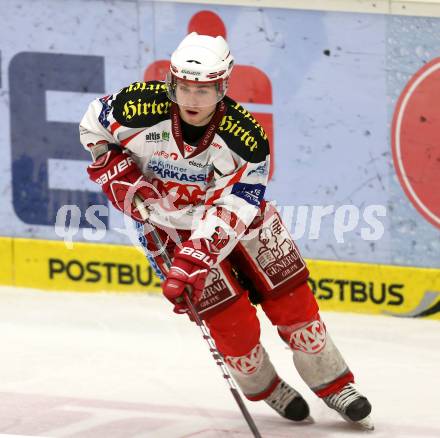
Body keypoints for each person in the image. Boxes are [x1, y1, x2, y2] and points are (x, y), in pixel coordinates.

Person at [79, 32, 373, 429]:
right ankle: (268, 388)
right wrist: (114, 171)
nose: (191, 101)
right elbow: (92, 123)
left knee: (294, 304)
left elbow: (235, 207)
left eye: (203, 90)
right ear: (172, 83)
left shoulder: (246, 138)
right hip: (167, 231)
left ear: (223, 86)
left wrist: (195, 258)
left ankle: (334, 384)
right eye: (183, 87)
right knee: (230, 325)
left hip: (243, 223)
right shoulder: (136, 106)